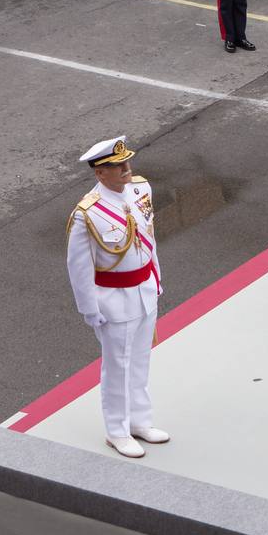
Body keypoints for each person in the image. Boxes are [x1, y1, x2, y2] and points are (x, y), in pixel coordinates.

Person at [66, 136, 171, 459]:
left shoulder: (141, 189)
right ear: (101, 174)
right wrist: (89, 309)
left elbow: (149, 236)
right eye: (118, 166)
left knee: (140, 360)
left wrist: (156, 277)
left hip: (144, 290)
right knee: (117, 366)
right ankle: (116, 430)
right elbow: (78, 266)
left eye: (126, 162)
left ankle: (140, 421)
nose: (127, 169)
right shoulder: (88, 214)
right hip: (113, 298)